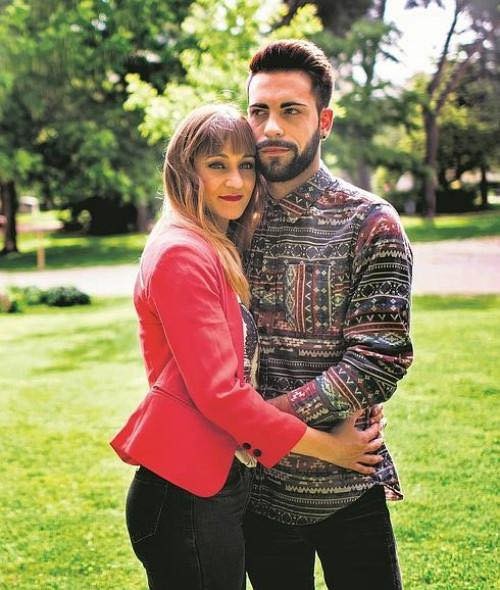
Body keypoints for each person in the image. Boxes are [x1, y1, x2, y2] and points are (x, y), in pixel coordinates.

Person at [110, 104, 385, 590]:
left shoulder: (210, 243)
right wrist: (333, 450)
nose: (235, 180)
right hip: (185, 492)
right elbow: (221, 395)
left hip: (209, 486)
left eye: (246, 165)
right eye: (217, 165)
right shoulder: (181, 252)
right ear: (185, 170)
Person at [241, 40, 414, 590]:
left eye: (290, 110)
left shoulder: (371, 222)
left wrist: (259, 421)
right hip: (255, 497)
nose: (271, 127)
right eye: (259, 110)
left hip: (348, 485)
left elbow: (378, 361)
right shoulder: (227, 224)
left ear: (325, 121)